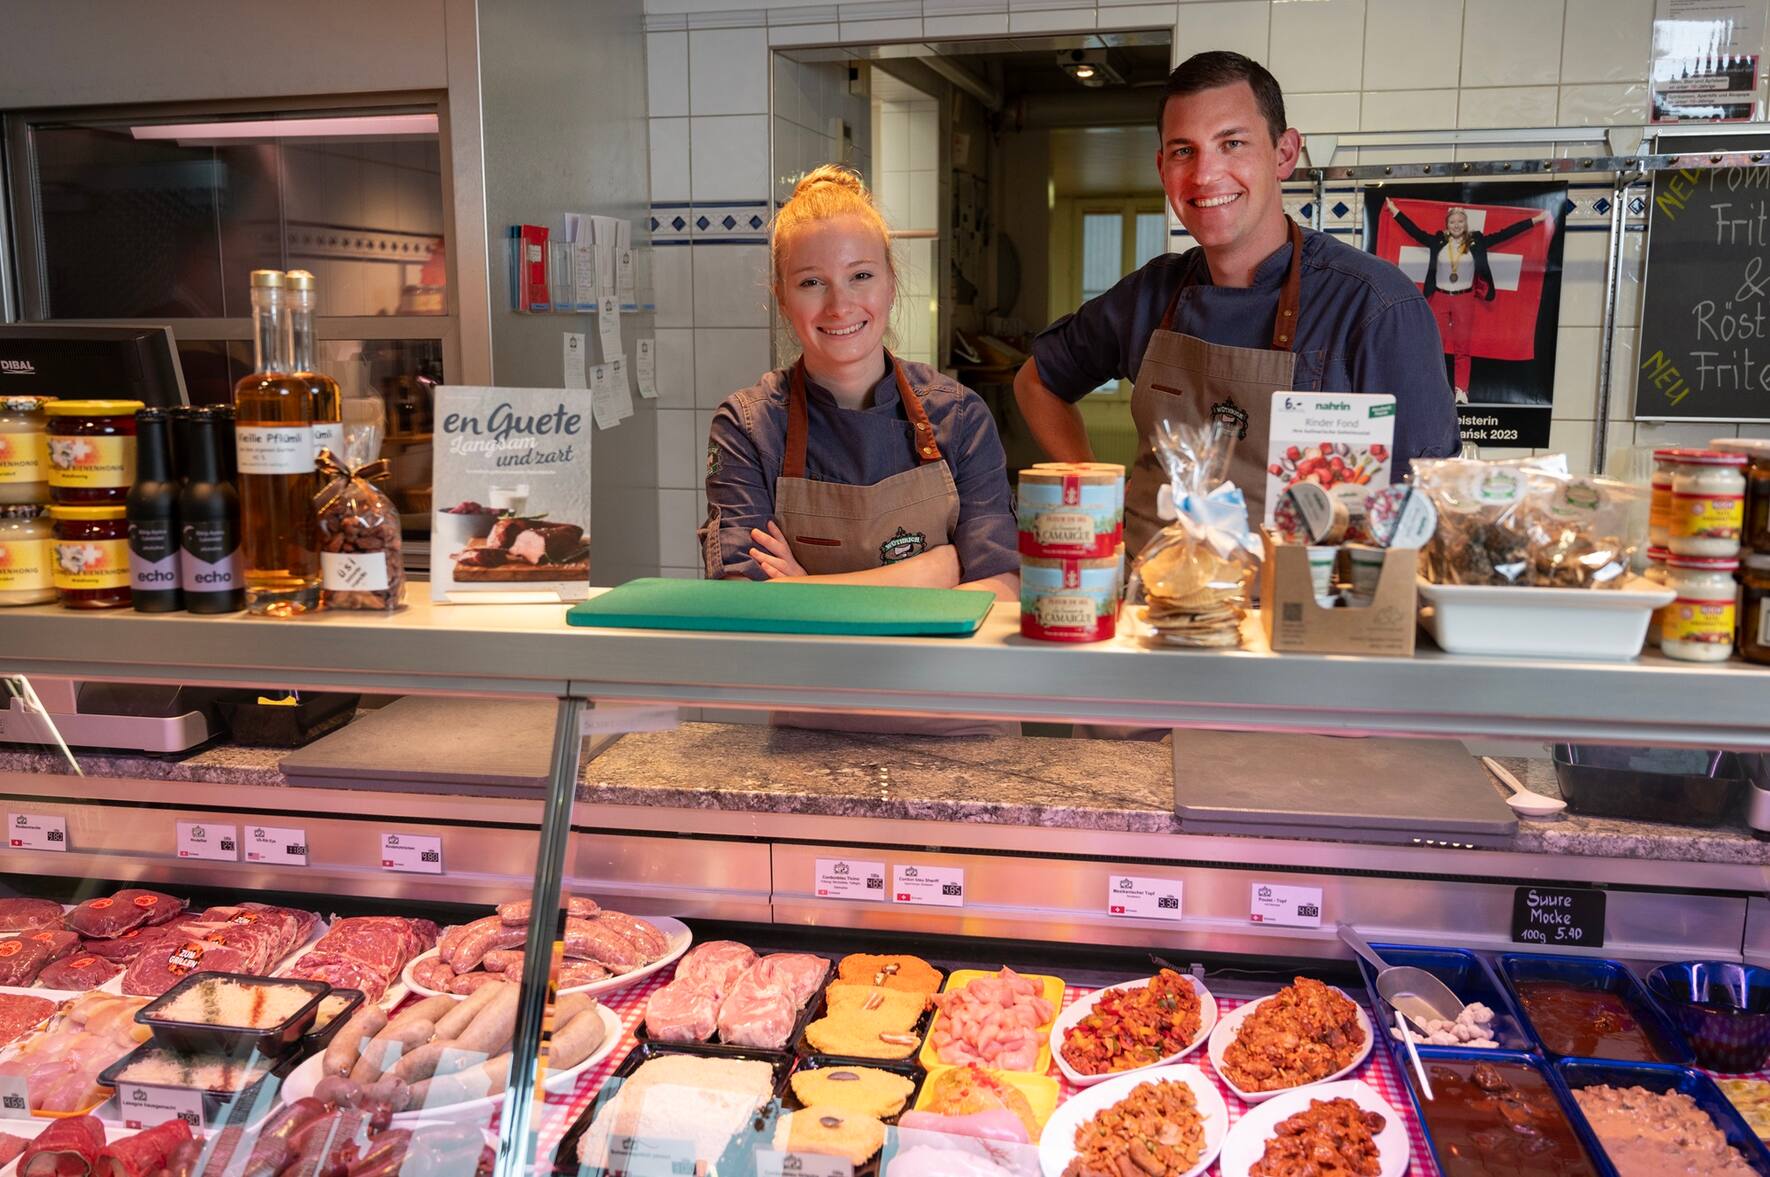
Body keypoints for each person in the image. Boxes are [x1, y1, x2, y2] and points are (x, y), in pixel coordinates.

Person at [1013, 51, 1461, 551]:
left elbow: (1427, 503)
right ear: (1162, 168)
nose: (1205, 175)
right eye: (1184, 151)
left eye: (1232, 143)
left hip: (1290, 597)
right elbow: (1037, 381)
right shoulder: (1149, 295)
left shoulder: (1375, 307)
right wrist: (1099, 494)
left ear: (1284, 154)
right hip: (1147, 592)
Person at [699, 164, 1019, 597]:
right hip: (832, 653)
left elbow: (1001, 587)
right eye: (812, 282)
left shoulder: (960, 417)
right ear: (782, 299)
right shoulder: (748, 426)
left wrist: (805, 590)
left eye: (861, 276)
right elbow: (742, 597)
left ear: (890, 283)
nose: (840, 305)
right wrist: (933, 571)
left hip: (907, 653)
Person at [1386, 199, 1550, 401]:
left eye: (1460, 221)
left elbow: (1506, 233)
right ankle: (1431, 386)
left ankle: (1461, 391)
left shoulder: (1477, 241)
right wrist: (1395, 210)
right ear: (1447, 225)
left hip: (1464, 299)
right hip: (1439, 298)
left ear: (1465, 224)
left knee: (1462, 348)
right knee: (1433, 345)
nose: (1456, 225)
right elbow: (1415, 231)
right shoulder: (1438, 241)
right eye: (1452, 222)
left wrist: (1536, 220)